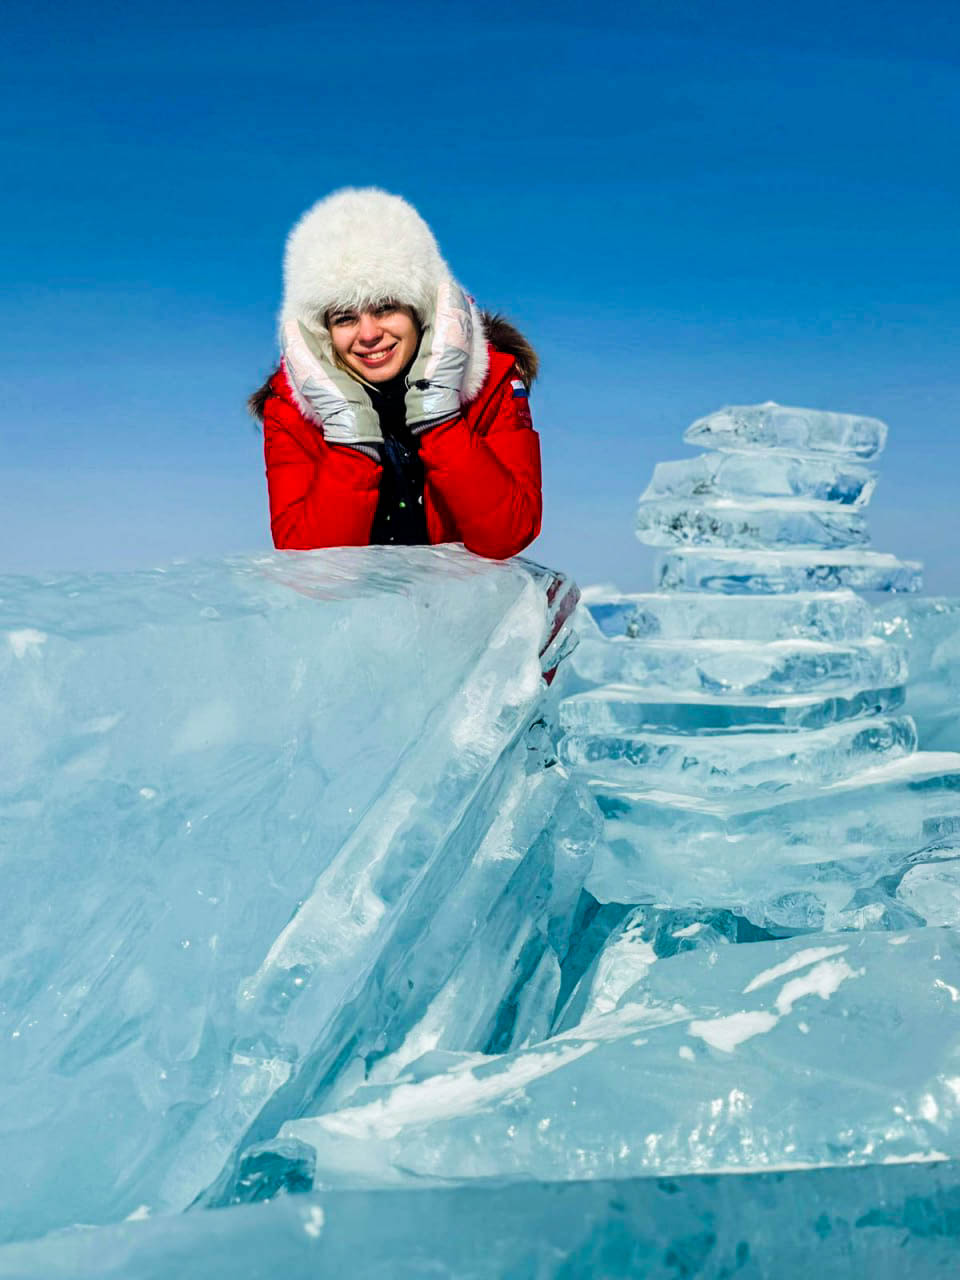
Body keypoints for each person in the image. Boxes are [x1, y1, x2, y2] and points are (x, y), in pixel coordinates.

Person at [249, 188, 542, 560]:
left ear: (419, 309)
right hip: (356, 615)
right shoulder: (289, 409)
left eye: (385, 308)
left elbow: (509, 534)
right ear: (322, 330)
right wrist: (349, 434)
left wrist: (440, 418)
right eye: (345, 318)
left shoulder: (492, 380)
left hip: (462, 612)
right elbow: (311, 569)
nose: (369, 334)